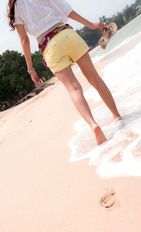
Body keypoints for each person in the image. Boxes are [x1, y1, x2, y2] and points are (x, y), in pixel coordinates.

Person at [8, 0, 121, 145]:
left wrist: (31, 69)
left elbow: (24, 40)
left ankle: (94, 125)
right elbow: (68, 12)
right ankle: (117, 117)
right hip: (67, 34)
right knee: (95, 80)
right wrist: (92, 25)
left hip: (49, 47)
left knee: (74, 89)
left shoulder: (15, 7)